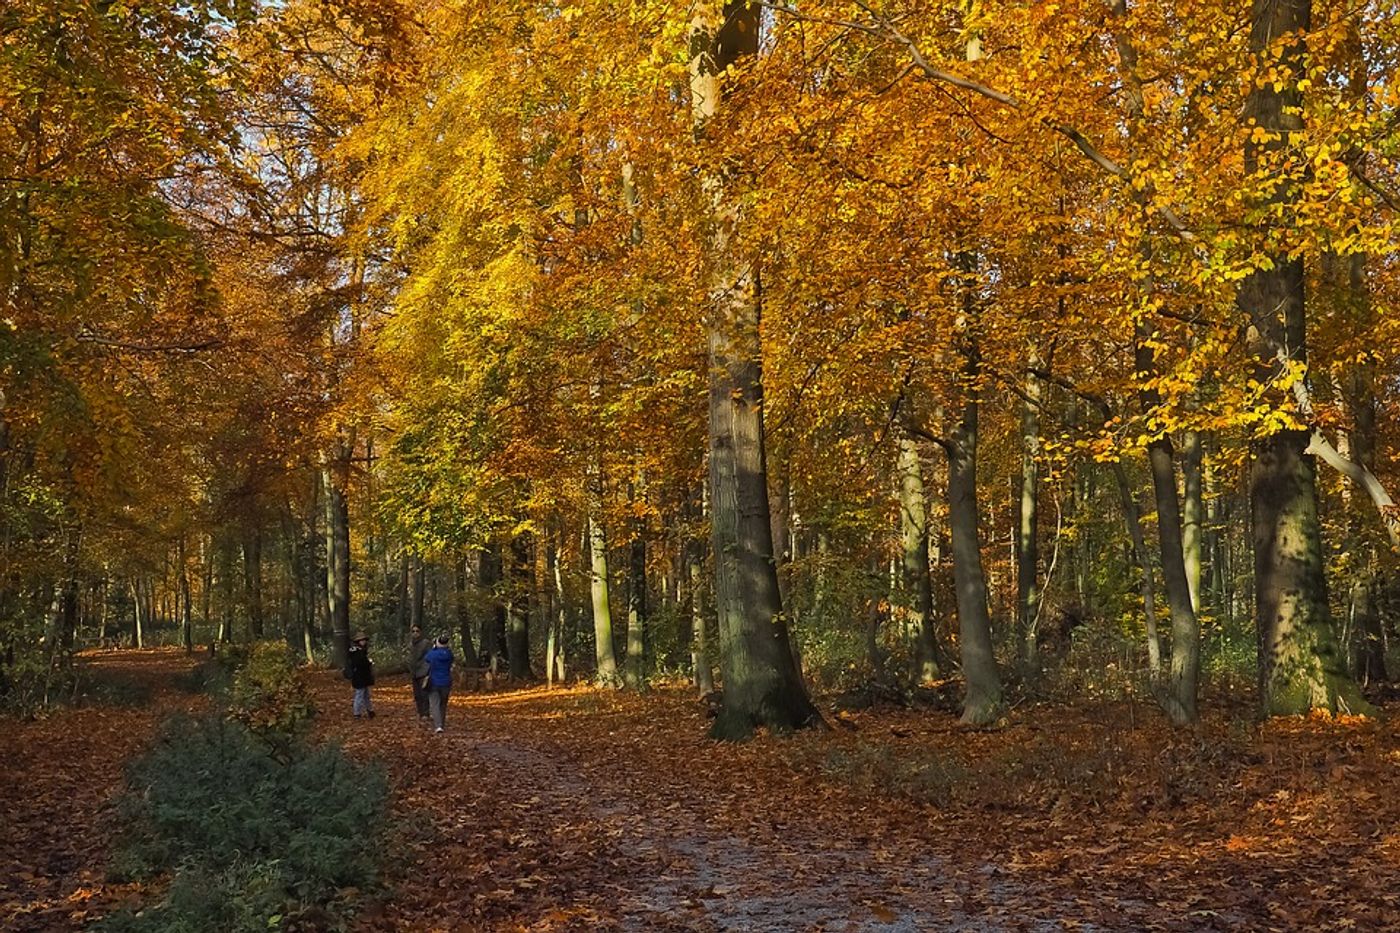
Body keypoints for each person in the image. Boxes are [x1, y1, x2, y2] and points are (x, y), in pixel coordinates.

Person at [424, 634, 454, 733]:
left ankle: (438, 725)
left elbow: (427, 658)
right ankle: (442, 723)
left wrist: (434, 648)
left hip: (434, 681)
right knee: (443, 704)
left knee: (434, 704)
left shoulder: (433, 654)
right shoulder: (449, 654)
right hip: (446, 682)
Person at [347, 632, 375, 719]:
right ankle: (357, 713)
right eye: (362, 640)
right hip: (359, 676)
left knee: (366, 694)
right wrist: (368, 662)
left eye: (364, 640)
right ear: (358, 641)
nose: (364, 642)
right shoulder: (357, 652)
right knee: (359, 694)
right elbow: (359, 663)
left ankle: (370, 710)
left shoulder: (360, 651)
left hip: (363, 676)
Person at [408, 624, 432, 722]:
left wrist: (428, 670)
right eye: (413, 631)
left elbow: (430, 656)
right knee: (417, 694)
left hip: (424, 671)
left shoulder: (426, 643)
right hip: (414, 671)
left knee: (424, 694)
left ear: (421, 632)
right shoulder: (411, 644)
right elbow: (410, 657)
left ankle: (426, 713)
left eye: (417, 631)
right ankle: (420, 712)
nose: (415, 633)